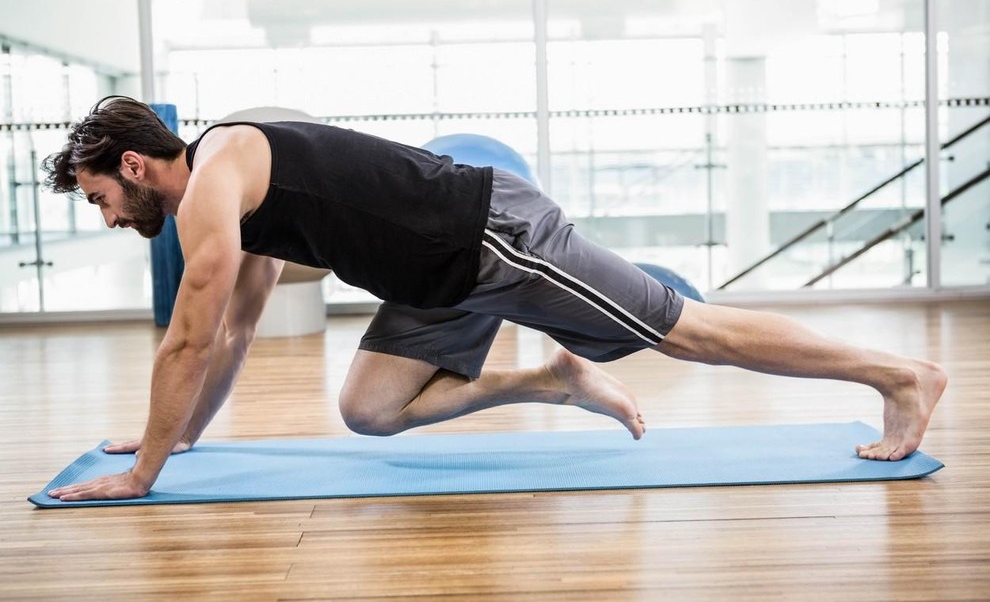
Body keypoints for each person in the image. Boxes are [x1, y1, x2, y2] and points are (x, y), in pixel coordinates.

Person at [41, 96, 946, 502]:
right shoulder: (228, 195)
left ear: (132, 165)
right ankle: (551, 380)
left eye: (100, 198)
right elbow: (233, 327)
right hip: (433, 279)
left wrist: (144, 474)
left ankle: (898, 375)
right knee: (369, 410)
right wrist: (187, 435)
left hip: (487, 237)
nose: (109, 215)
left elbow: (186, 343)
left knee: (685, 331)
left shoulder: (216, 174)